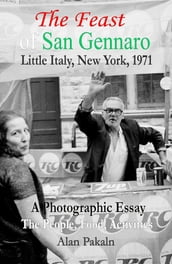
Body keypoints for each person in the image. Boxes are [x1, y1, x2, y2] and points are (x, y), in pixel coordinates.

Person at [0, 110, 79, 264]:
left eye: (26, 130)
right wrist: (68, 256)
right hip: (21, 255)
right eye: (15, 133)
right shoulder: (16, 169)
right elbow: (36, 225)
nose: (24, 138)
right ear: (2, 138)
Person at [74, 72, 167, 182]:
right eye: (108, 110)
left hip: (123, 189)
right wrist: (91, 94)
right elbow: (82, 117)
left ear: (122, 115)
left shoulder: (132, 128)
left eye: (117, 111)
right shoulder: (96, 126)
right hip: (96, 187)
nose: (113, 114)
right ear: (103, 114)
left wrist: (163, 160)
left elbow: (155, 134)